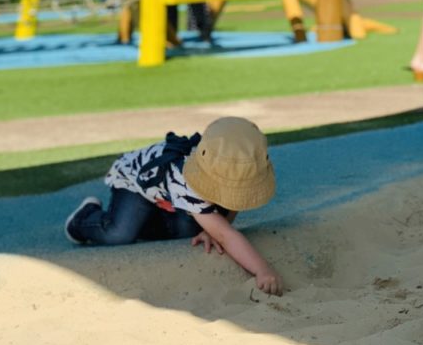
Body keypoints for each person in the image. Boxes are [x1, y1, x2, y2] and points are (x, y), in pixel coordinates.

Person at [64, 116, 284, 296]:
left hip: (169, 194)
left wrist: (213, 228)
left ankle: (160, 213)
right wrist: (262, 270)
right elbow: (227, 236)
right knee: (119, 233)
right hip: (135, 182)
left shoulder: (227, 162)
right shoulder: (187, 181)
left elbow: (233, 200)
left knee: (190, 230)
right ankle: (84, 217)